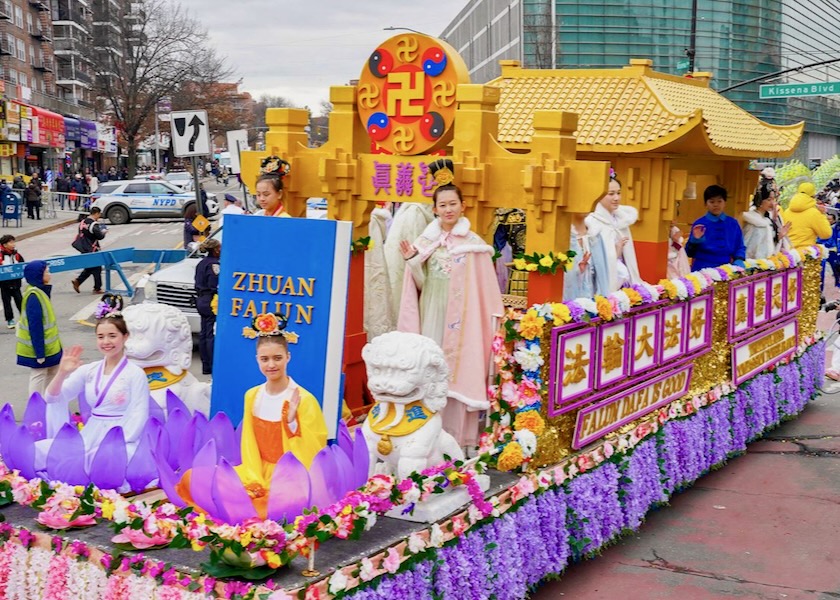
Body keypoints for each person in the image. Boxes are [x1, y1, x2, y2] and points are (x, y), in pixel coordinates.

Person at [175, 315, 328, 518]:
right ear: (257, 360)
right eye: (265, 359)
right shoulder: (253, 395)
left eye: (277, 358)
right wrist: (254, 477)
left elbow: (315, 449)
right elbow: (249, 441)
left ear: (288, 357)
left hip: (288, 476)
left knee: (277, 504)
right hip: (255, 470)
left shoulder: (303, 399)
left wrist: (292, 425)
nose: (271, 365)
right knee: (192, 478)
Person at [397, 159, 504, 449]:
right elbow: (418, 285)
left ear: (463, 206)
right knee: (431, 366)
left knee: (457, 368)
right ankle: (424, 431)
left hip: (462, 316)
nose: (448, 209)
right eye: (442, 205)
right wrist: (412, 262)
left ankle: (457, 434)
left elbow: (483, 289)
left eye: (452, 204)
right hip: (432, 309)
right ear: (434, 209)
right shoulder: (426, 241)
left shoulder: (474, 243)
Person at [40, 295, 150, 478]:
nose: (106, 341)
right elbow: (52, 398)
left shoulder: (135, 373)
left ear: (125, 337)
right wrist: (62, 373)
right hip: (91, 434)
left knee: (98, 461)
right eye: (101, 336)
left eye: (112, 336)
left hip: (122, 438)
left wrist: (117, 444)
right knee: (43, 451)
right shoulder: (89, 370)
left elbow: (139, 414)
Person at [584, 173, 642, 292]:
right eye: (611, 194)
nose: (616, 198)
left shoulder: (622, 219)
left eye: (618, 193)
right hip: (604, 281)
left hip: (624, 277)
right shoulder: (592, 221)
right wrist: (615, 253)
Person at [16, 261, 63, 397]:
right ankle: (36, 404)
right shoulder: (34, 296)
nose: (50, 274)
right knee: (39, 374)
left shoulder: (39, 292)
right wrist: (39, 353)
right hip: (40, 347)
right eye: (46, 272)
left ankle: (48, 400)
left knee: (52, 372)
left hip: (50, 347)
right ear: (38, 275)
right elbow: (35, 326)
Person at [685, 185, 746, 271]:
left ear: (725, 203)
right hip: (702, 269)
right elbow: (689, 253)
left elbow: (740, 246)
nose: (716, 205)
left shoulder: (733, 223)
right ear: (705, 204)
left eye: (719, 201)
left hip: (726, 268)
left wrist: (739, 259)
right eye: (712, 202)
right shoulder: (699, 224)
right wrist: (695, 241)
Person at [564, 214, 610, 299]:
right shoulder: (563, 236)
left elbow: (602, 273)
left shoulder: (595, 235)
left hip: (592, 298)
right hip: (568, 301)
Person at [194, 238, 220, 375]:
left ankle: (205, 365)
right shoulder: (214, 265)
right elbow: (214, 284)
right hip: (210, 299)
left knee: (203, 333)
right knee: (210, 334)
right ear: (215, 250)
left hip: (200, 299)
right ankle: (212, 364)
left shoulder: (200, 263)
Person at [743, 182, 789, 259]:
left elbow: (768, 246)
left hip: (767, 263)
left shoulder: (767, 220)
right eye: (769, 199)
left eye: (773, 199)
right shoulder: (752, 220)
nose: (772, 203)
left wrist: (778, 237)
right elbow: (748, 247)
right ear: (760, 200)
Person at [783, 182, 832, 249]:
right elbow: (826, 234)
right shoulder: (814, 213)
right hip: (807, 253)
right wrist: (822, 214)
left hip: (789, 254)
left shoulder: (786, 211)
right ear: (813, 195)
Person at [71, 207, 107, 294]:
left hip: (83, 247)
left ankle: (78, 281)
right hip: (92, 248)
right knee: (97, 267)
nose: (99, 216)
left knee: (91, 266)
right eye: (99, 214)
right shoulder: (93, 224)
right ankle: (97, 288)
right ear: (96, 213)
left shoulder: (82, 222)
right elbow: (100, 236)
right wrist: (104, 233)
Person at [0, 235, 25, 328]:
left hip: (16, 283)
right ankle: (10, 320)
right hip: (4, 283)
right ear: (5, 244)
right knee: (7, 302)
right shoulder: (1, 255)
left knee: (20, 300)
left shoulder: (16, 254)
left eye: (14, 242)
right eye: (11, 242)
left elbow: (22, 264)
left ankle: (24, 318)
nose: (13, 244)